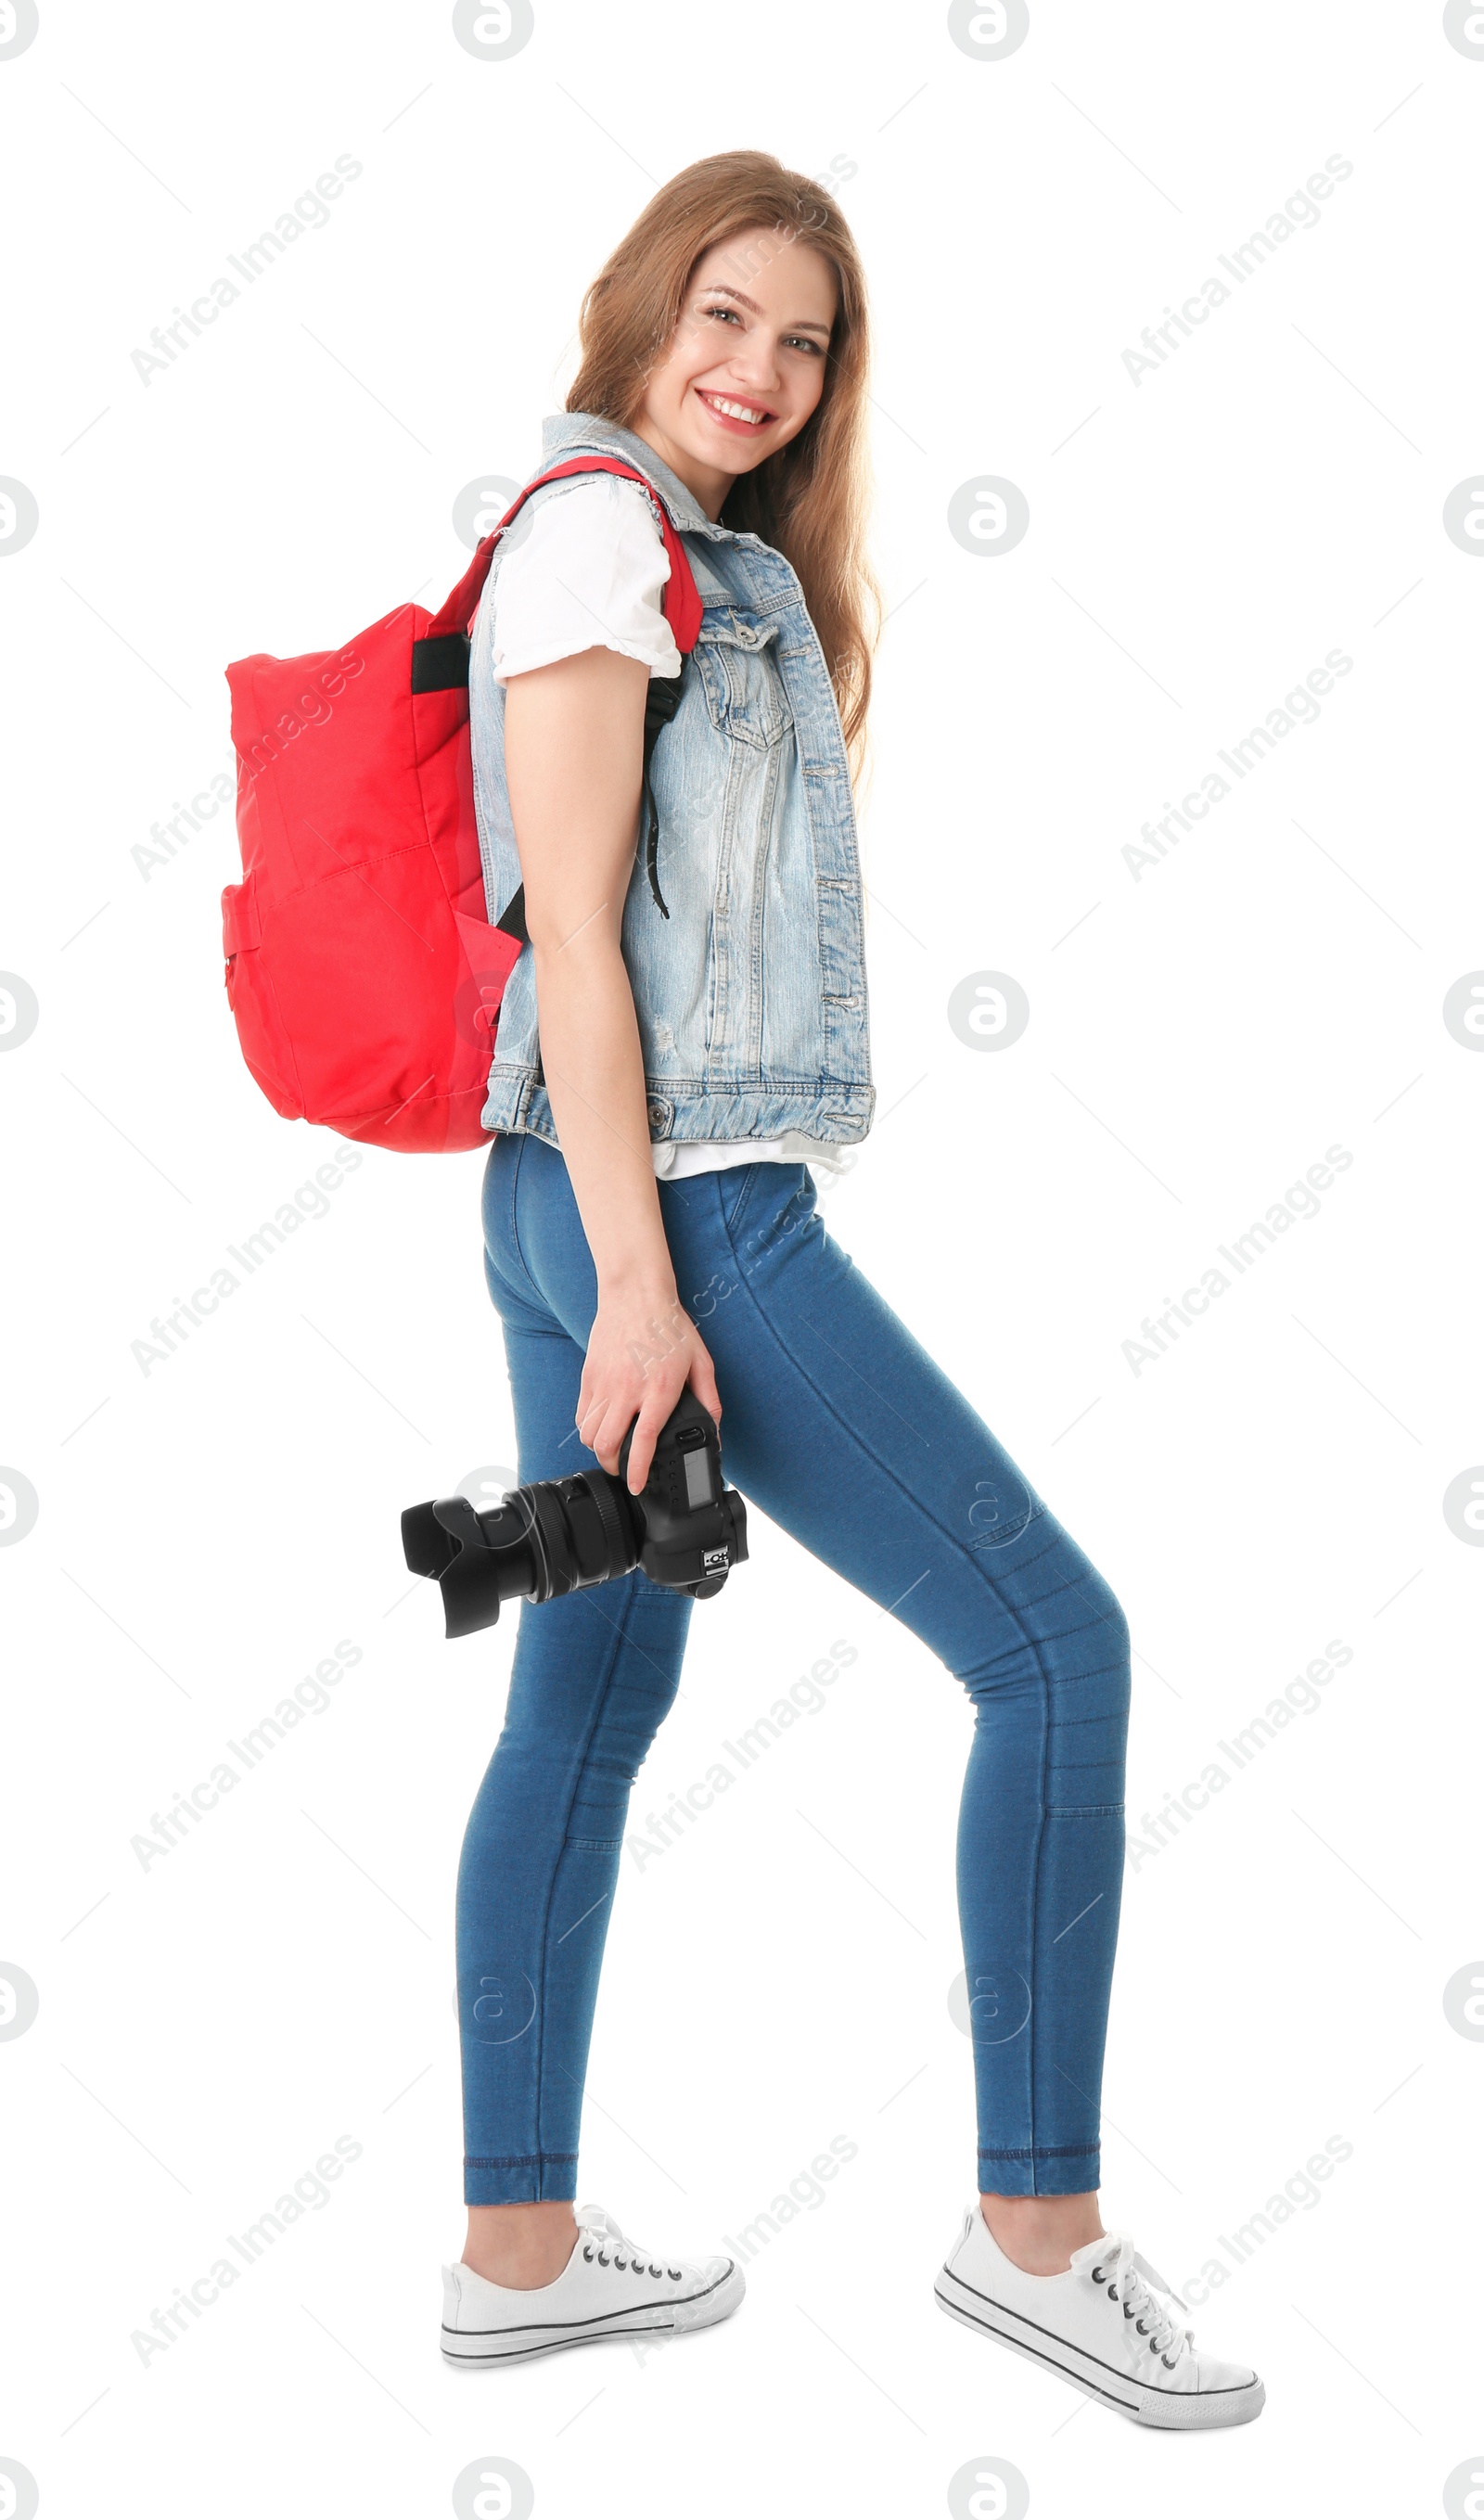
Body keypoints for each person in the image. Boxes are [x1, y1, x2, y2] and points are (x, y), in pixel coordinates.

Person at [439, 149, 1262, 2429]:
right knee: (1051, 1648)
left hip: (573, 1188)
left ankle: (516, 2255)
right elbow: (577, 937)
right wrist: (640, 1278)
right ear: (639, 311)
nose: (758, 371)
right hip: (670, 1207)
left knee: (583, 1711)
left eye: (802, 341)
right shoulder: (599, 537)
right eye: (723, 315)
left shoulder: (665, 547)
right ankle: (1039, 2237)